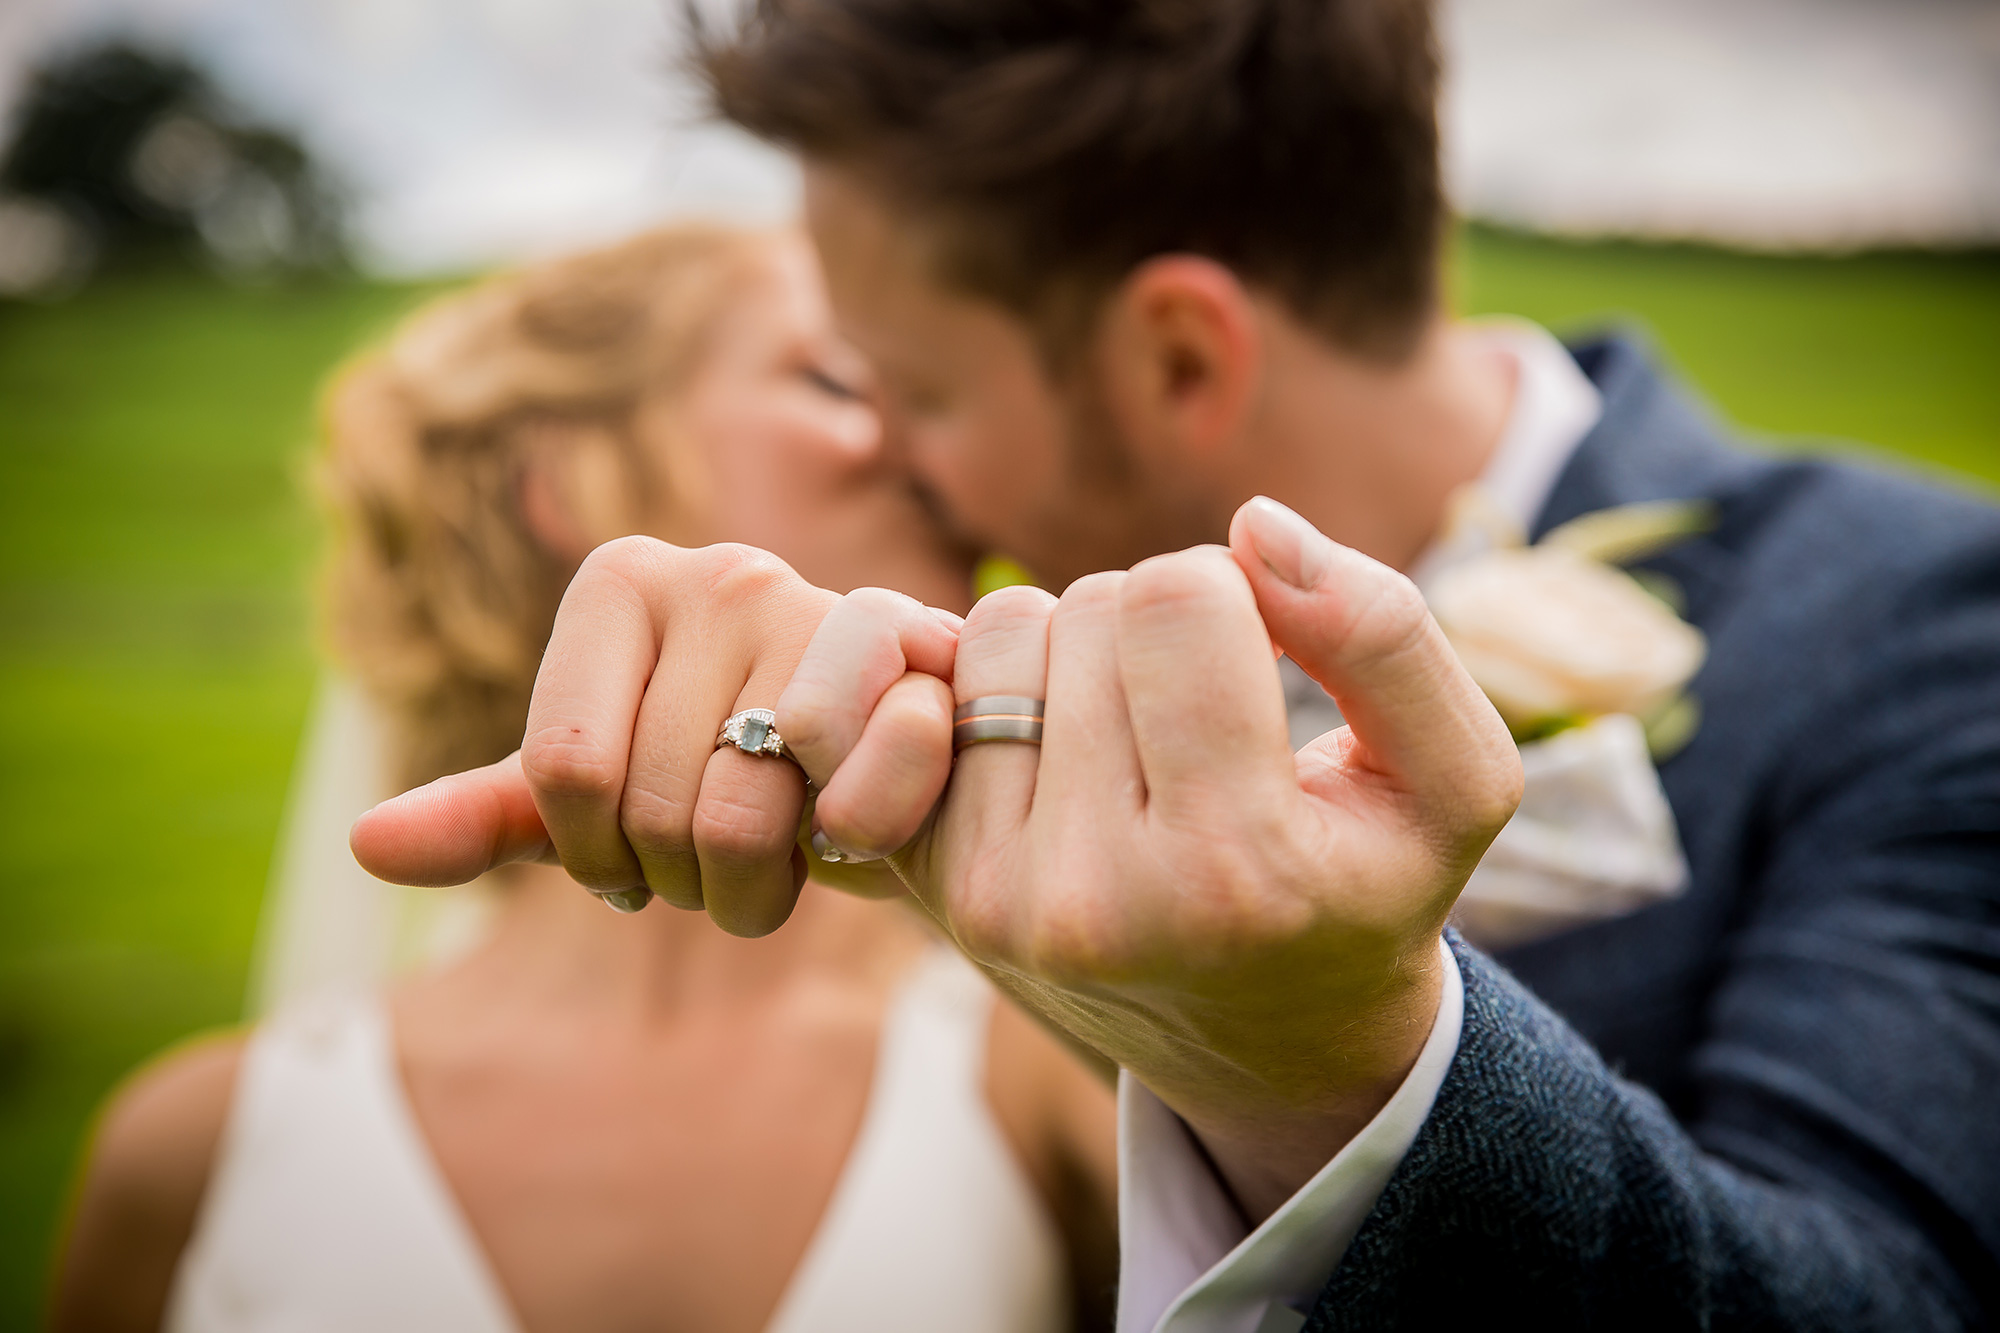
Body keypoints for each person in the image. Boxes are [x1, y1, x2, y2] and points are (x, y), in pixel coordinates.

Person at [350, 0, 2000, 1329]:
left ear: (1177, 356)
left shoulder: (1926, 620)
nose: (913, 481)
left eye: (915, 393)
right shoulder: (969, 734)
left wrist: (1332, 1062)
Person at [49, 224, 1119, 1333]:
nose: (922, 437)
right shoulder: (193, 1150)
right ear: (569, 478)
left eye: (921, 383)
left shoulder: (1073, 1069)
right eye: (836, 378)